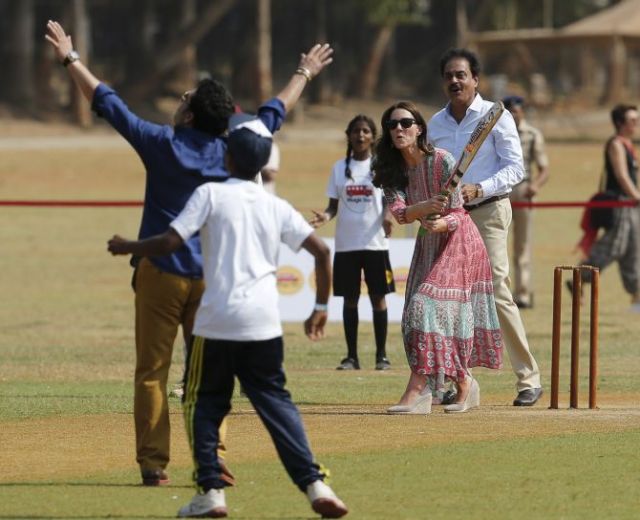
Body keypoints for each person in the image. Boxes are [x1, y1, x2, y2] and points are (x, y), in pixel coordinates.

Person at [45, 20, 334, 485]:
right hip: (213, 282)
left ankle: (154, 464)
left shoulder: (162, 143)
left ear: (190, 116)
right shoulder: (235, 150)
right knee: (208, 380)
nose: (178, 103)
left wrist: (71, 58)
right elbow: (275, 111)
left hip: (161, 272)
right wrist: (305, 71)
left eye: (183, 101)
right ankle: (212, 456)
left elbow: (108, 103)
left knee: (151, 373)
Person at [107, 112, 348, 519]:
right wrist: (320, 307)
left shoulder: (211, 195)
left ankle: (211, 493)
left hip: (216, 323)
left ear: (228, 160)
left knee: (202, 403)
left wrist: (128, 245)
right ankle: (315, 484)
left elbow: (168, 241)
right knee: (277, 405)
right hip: (263, 326)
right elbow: (323, 253)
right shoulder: (276, 206)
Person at [427, 48, 543, 407]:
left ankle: (528, 379)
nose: (454, 81)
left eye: (461, 74)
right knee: (446, 296)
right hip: (452, 217)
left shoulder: (497, 116)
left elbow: (515, 169)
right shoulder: (436, 123)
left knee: (495, 289)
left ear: (476, 79)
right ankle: (460, 382)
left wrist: (483, 187)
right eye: (449, 75)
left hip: (490, 210)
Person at [372, 101, 503, 414]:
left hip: (460, 242)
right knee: (417, 317)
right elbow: (402, 214)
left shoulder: (443, 160)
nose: (399, 129)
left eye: (405, 123)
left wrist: (442, 220)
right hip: (428, 243)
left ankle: (418, 392)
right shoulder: (391, 172)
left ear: (419, 128)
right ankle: (464, 383)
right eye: (392, 125)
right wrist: (427, 208)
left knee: (425, 307)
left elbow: (458, 212)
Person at [310, 115, 395, 371]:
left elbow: (391, 198)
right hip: (347, 245)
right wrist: (324, 217)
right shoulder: (339, 168)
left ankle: (381, 356)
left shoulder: (381, 166)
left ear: (372, 136)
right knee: (350, 300)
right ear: (349, 135)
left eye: (366, 131)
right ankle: (351, 357)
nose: (360, 136)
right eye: (356, 131)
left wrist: (389, 216)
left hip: (375, 244)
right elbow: (332, 206)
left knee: (378, 299)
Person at [574, 104, 640, 310]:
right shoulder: (616, 144)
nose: (636, 124)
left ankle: (637, 295)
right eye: (632, 120)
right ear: (620, 123)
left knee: (633, 249)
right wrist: (637, 196)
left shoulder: (628, 144)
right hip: (618, 203)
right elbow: (621, 176)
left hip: (629, 204)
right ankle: (579, 277)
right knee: (615, 246)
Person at [503, 95, 550, 309]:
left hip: (523, 189)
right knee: (497, 243)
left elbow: (544, 168)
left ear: (522, 112)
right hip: (500, 189)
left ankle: (522, 292)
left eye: (517, 111)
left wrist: (536, 186)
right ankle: (500, 291)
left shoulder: (532, 134)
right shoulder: (498, 132)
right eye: (510, 111)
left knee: (522, 245)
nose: (514, 114)